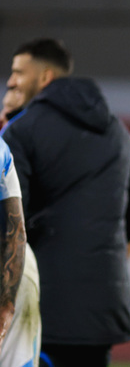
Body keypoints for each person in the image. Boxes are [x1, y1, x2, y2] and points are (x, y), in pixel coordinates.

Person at [2, 38, 130, 367]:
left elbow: (11, 221)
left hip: (43, 307)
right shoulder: (118, 132)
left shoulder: (21, 132)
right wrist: (106, 258)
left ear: (44, 78)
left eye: (18, 73)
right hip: (102, 306)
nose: (11, 81)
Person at [0, 136, 41, 367]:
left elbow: (15, 233)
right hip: (16, 267)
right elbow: (16, 231)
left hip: (10, 273)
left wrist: (5, 309)